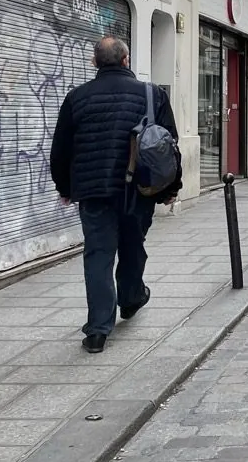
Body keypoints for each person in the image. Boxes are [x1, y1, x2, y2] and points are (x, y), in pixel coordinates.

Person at [50, 37, 181, 354]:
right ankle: (132, 297)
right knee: (133, 246)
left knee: (98, 254)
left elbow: (61, 150)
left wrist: (65, 187)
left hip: (94, 191)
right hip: (138, 190)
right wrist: (171, 190)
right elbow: (169, 146)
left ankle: (97, 330)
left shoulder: (76, 98)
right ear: (126, 60)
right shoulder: (153, 95)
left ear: (95, 63)